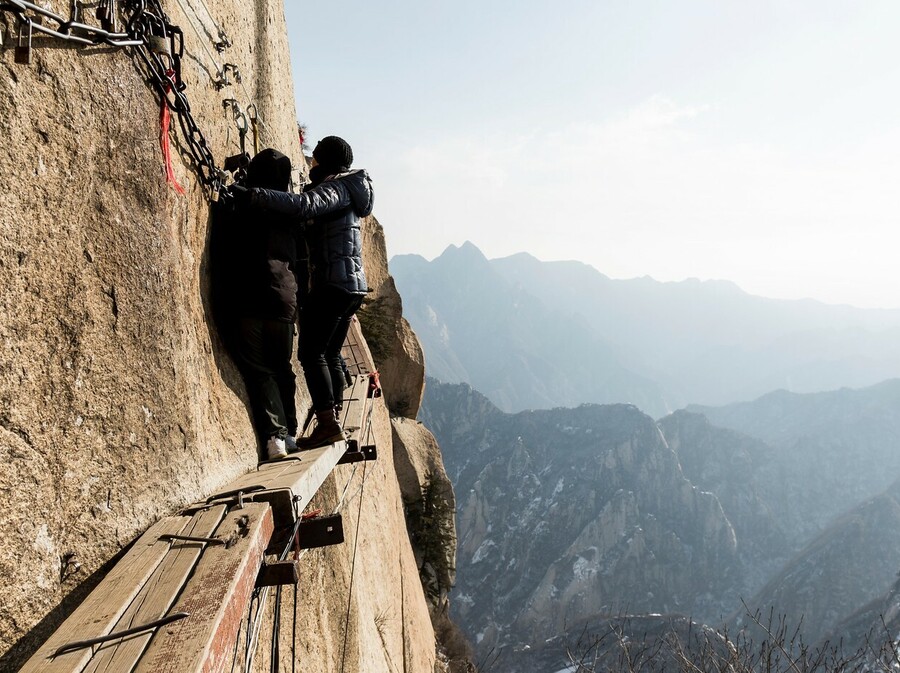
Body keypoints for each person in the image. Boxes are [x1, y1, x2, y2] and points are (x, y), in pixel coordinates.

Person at [232, 136, 373, 450]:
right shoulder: (349, 189)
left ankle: (327, 423)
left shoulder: (336, 188)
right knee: (331, 352)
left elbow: (304, 205)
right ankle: (334, 414)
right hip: (352, 284)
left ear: (324, 162)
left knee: (312, 354)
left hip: (335, 283)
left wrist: (254, 194)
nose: (311, 167)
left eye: (315, 161)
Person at [218, 148, 300, 461]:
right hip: (283, 302)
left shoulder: (243, 202)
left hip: (249, 298)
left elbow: (233, 202)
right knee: (283, 369)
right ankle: (290, 433)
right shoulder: (290, 212)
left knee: (261, 371)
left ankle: (276, 437)